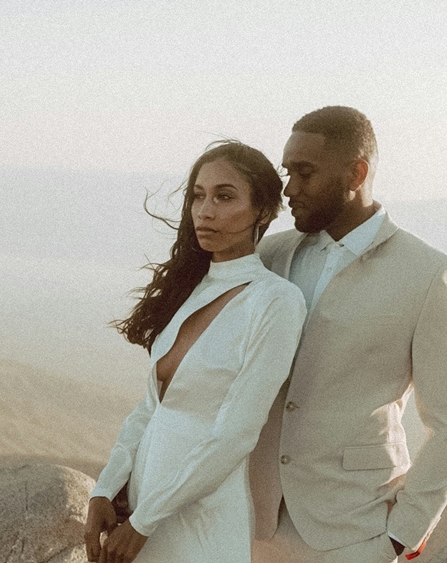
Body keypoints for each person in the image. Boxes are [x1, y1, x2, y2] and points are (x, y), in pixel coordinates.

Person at [249, 106, 447, 563]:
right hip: (252, 522)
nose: (289, 189)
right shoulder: (269, 255)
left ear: (356, 173)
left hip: (355, 530)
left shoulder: (429, 274)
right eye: (287, 172)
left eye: (305, 173)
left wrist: (403, 532)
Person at [84, 141, 307, 563]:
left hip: (201, 514)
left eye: (224, 197)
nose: (205, 211)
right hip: (142, 503)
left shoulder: (276, 301)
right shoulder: (193, 289)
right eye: (198, 196)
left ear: (262, 211)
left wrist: (145, 520)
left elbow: (236, 434)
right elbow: (151, 409)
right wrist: (105, 487)